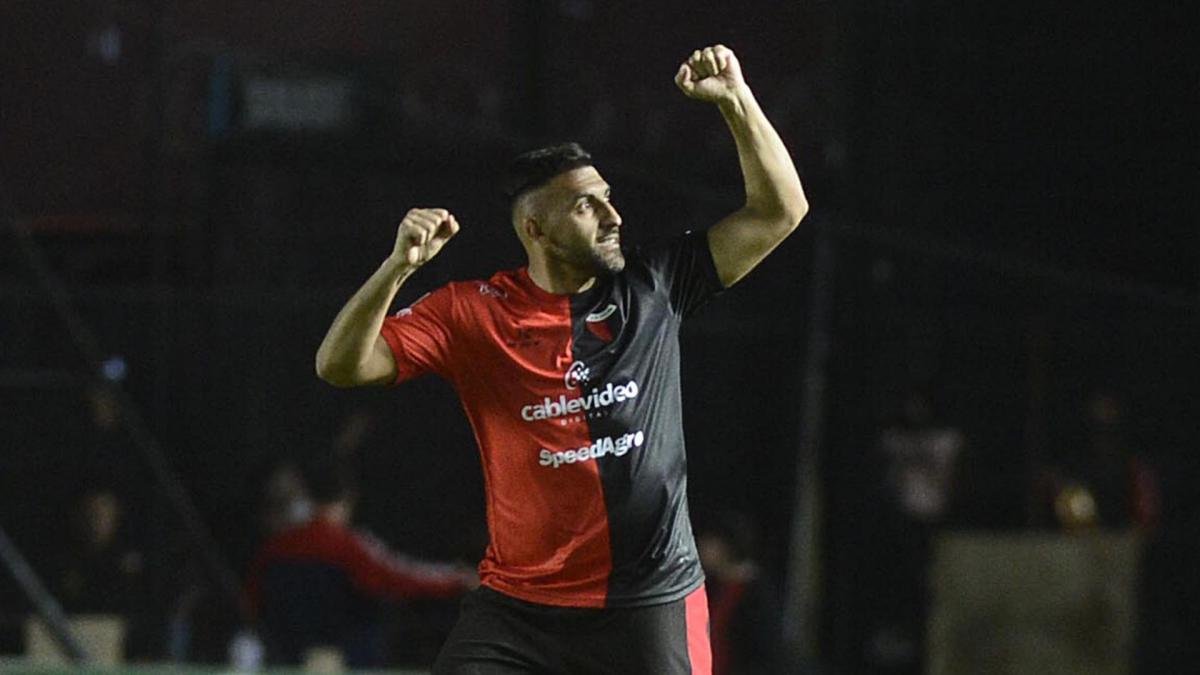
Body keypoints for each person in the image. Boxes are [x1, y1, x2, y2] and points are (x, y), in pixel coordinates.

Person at [315, 44, 808, 675]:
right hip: (520, 609)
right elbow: (340, 365)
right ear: (537, 231)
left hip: (647, 601)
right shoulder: (472, 312)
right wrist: (396, 270)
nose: (612, 216)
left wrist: (737, 100)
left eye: (607, 198)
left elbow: (780, 211)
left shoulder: (654, 285)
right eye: (585, 205)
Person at [244, 459, 476, 668]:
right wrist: (459, 579)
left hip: (287, 664)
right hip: (347, 663)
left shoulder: (271, 551)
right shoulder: (345, 546)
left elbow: (251, 607)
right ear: (345, 500)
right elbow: (397, 577)